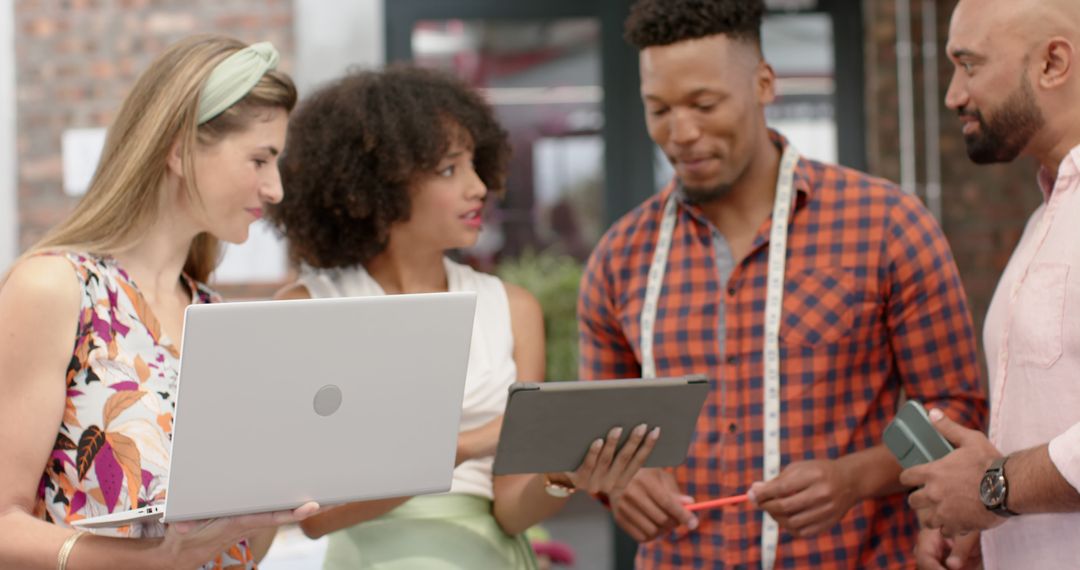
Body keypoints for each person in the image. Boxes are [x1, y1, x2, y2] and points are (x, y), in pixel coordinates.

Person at [576, 0, 988, 567]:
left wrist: (853, 478)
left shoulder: (887, 225)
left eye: (704, 103)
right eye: (659, 109)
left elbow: (955, 411)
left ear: (765, 84)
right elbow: (597, 434)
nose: (682, 132)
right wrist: (619, 484)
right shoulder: (620, 259)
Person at [267, 65, 658, 570]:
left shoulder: (513, 309)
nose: (479, 187)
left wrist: (565, 476)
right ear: (378, 184)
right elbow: (315, 517)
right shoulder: (306, 310)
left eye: (476, 164)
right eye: (450, 169)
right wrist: (462, 447)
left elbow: (513, 510)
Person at [0, 35, 319, 569]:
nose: (275, 189)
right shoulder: (58, 290)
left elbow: (241, 551)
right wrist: (149, 561)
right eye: (260, 159)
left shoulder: (222, 322)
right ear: (178, 149)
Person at [901, 1, 1080, 568]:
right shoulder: (1044, 220)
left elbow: (1001, 481)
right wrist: (987, 522)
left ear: (1053, 62)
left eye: (970, 65)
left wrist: (991, 488)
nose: (954, 95)